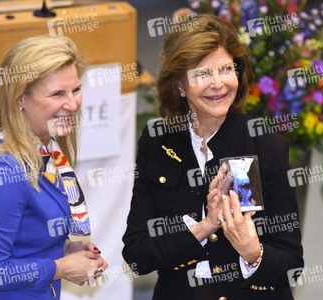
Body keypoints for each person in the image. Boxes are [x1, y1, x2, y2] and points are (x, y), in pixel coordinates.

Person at [122, 14, 303, 300]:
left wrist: (252, 252)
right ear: (180, 84)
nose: (218, 84)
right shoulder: (158, 142)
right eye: (203, 73)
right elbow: (136, 254)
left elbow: (291, 265)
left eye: (226, 70)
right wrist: (205, 227)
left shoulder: (265, 146)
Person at [0, 35, 107, 299]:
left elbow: (18, 239)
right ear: (20, 99)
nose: (73, 104)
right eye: (57, 94)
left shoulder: (42, 149)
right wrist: (61, 267)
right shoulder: (1, 171)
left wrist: (60, 250)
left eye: (75, 90)